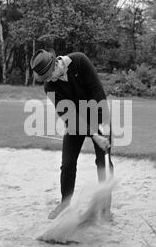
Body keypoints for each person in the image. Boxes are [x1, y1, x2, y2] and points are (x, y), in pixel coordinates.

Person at [30, 49, 114, 220]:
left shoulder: (80, 61)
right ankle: (65, 203)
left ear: (55, 63)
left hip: (98, 114)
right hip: (75, 121)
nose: (49, 79)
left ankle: (106, 207)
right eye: (45, 78)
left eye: (49, 75)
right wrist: (92, 135)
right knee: (67, 164)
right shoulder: (50, 86)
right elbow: (68, 115)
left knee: (103, 161)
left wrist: (101, 128)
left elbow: (97, 92)